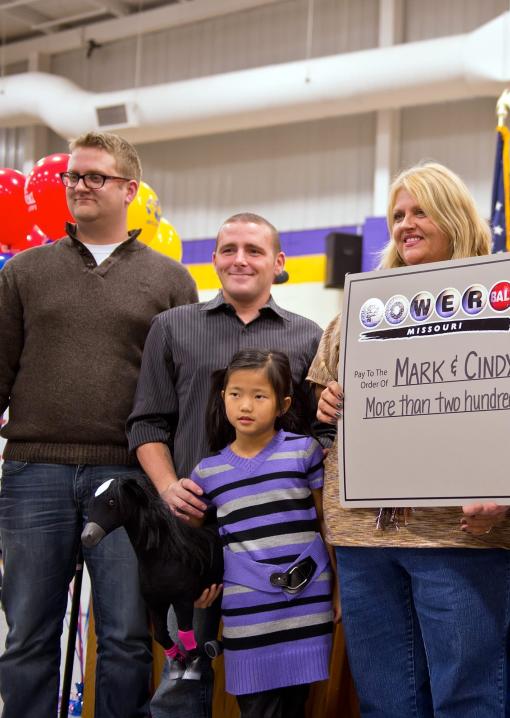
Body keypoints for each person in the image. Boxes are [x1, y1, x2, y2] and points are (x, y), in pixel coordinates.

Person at [312, 162, 510, 718]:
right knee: (385, 701)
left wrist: (507, 486)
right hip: (366, 535)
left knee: (466, 697)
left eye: (420, 211)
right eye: (397, 215)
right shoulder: (360, 309)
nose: (405, 224)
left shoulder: (506, 299)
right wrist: (330, 402)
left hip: (459, 534)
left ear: (454, 216)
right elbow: (325, 411)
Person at [0, 131, 198, 718]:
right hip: (33, 472)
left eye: (95, 177)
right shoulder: (23, 273)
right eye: (73, 177)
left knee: (126, 638)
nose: (79, 186)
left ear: (129, 189)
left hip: (129, 479)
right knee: (28, 635)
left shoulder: (170, 281)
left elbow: (179, 393)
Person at [127, 212, 328, 717]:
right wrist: (171, 488)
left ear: (279, 263)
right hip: (190, 535)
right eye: (229, 248)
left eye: (254, 250)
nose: (240, 259)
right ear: (213, 258)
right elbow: (146, 424)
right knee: (183, 669)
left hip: (272, 544)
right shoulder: (171, 328)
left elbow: (322, 435)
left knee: (273, 684)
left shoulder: (309, 338)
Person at [193, 348, 331, 718]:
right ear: (222, 397)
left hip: (306, 605)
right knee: (256, 709)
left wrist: (339, 593)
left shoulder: (305, 452)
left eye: (259, 395)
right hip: (246, 613)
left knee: (296, 707)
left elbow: (325, 523)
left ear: (283, 404)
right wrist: (197, 586)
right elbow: (195, 543)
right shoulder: (208, 473)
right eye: (235, 393)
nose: (245, 405)